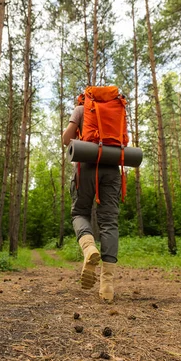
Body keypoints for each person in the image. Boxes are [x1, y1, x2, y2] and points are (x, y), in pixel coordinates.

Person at [62, 103, 121, 303]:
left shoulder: (82, 109)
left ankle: (89, 249)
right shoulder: (116, 110)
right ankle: (107, 286)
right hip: (112, 167)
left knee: (79, 213)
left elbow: (66, 139)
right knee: (109, 222)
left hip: (86, 165)